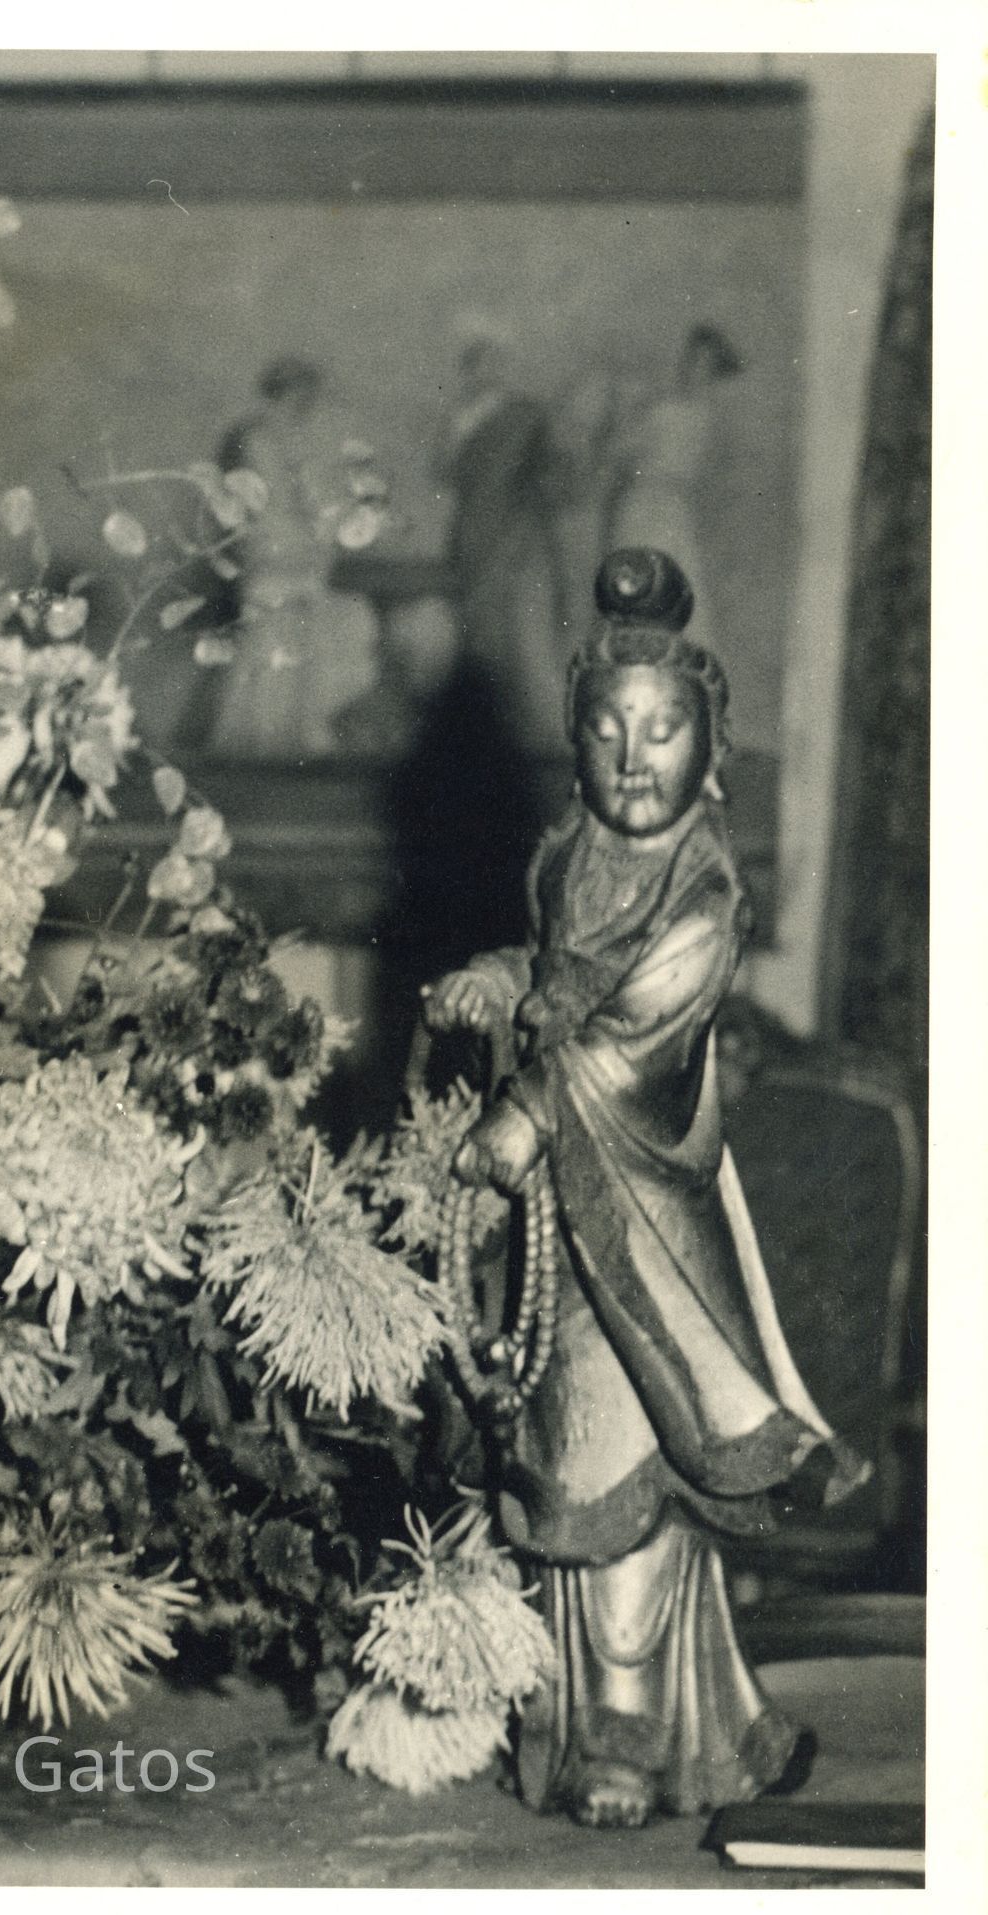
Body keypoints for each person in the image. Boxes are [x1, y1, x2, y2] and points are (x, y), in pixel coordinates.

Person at [424, 549, 865, 1828]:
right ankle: (559, 1706)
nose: (633, 756)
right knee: (550, 1440)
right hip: (564, 1214)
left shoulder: (706, 891)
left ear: (710, 748)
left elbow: (633, 1036)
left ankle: (628, 1725)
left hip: (646, 1210)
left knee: (617, 1445)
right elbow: (563, 979)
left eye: (664, 730)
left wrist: (525, 1109)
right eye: (607, 730)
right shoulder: (568, 855)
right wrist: (503, 977)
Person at [202, 356, 383, 760]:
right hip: (268, 556)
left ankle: (302, 735)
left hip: (296, 555)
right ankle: (264, 739)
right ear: (279, 394)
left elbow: (312, 500)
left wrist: (322, 527)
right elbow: (262, 507)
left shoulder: (296, 439)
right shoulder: (254, 440)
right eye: (297, 394)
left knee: (314, 636)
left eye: (308, 396)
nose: (304, 403)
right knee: (272, 640)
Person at [434, 324, 570, 754]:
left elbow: (553, 470)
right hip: (473, 528)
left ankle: (531, 726)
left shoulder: (526, 415)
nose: (487, 371)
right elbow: (443, 471)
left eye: (494, 362)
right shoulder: (457, 416)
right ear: (468, 369)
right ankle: (481, 731)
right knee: (477, 625)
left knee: (521, 624)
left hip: (518, 531)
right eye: (478, 363)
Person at [601, 325, 746, 652]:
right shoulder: (673, 410)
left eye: (703, 366)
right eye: (691, 362)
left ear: (711, 374)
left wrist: (625, 417)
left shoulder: (682, 414)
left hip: (659, 507)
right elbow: (622, 453)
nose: (693, 371)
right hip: (650, 504)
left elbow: (622, 451)